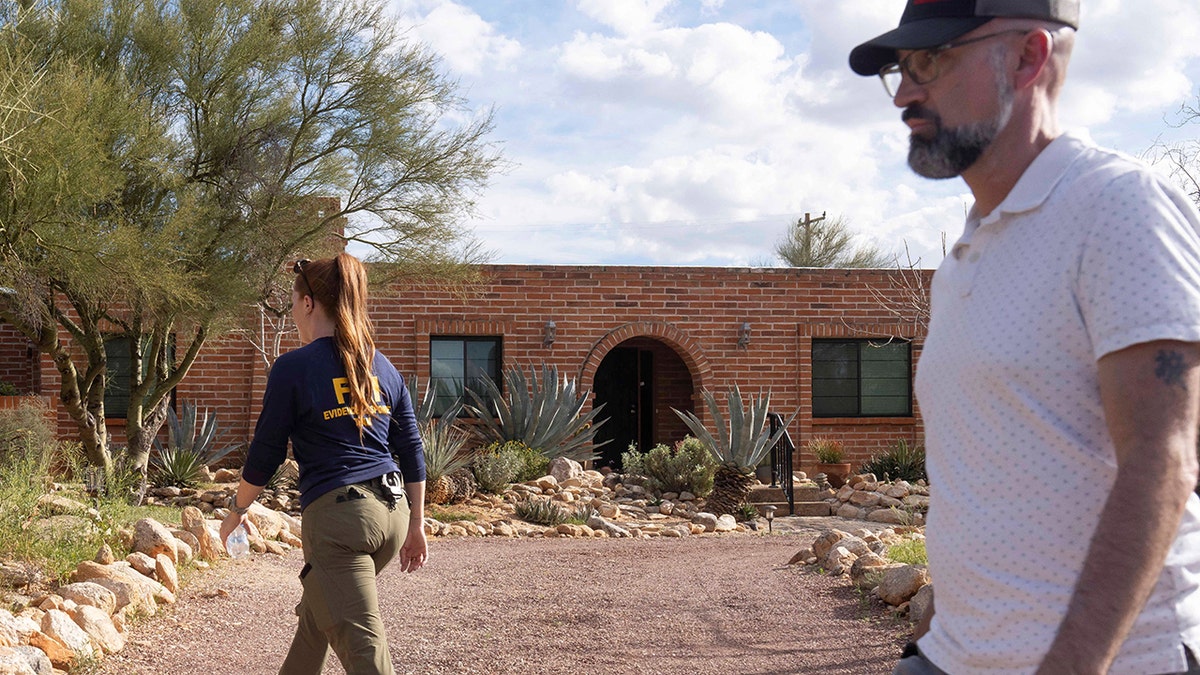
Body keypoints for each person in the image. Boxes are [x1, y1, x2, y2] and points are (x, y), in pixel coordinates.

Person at [849, 1, 1200, 673]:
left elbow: (1164, 459)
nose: (905, 93)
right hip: (956, 655)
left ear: (1029, 57)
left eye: (929, 60)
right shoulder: (966, 254)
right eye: (900, 68)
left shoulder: (1118, 207)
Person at [220, 253, 427, 675]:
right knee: (318, 616)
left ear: (309, 304)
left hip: (341, 523)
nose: (292, 308)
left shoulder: (293, 367)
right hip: (393, 516)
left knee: (365, 653)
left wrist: (237, 510)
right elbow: (411, 447)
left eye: (293, 300)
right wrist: (418, 525)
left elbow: (267, 452)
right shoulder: (381, 366)